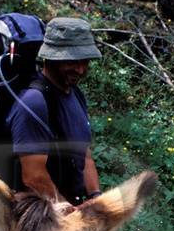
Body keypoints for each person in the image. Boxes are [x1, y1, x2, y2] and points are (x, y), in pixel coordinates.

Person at [7, 16, 103, 205]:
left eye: (85, 61)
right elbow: (33, 177)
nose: (81, 70)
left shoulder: (76, 94)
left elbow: (82, 152)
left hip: (69, 213)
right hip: (37, 220)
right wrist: (69, 213)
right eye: (72, 61)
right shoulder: (34, 102)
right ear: (50, 58)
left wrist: (95, 196)